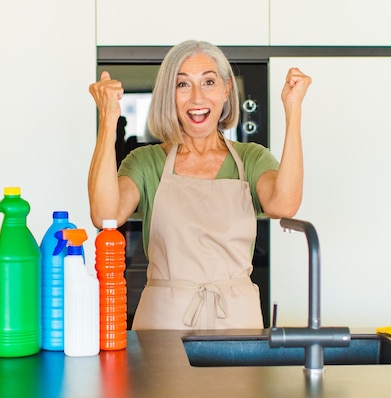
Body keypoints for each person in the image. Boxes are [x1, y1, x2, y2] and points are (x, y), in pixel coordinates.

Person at [88, 40, 311, 330]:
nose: (197, 98)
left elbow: (285, 204)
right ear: (170, 95)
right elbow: (105, 215)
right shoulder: (146, 162)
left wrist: (293, 111)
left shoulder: (251, 159)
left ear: (227, 89)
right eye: (183, 85)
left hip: (237, 325)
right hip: (162, 327)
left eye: (208, 82)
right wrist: (107, 119)